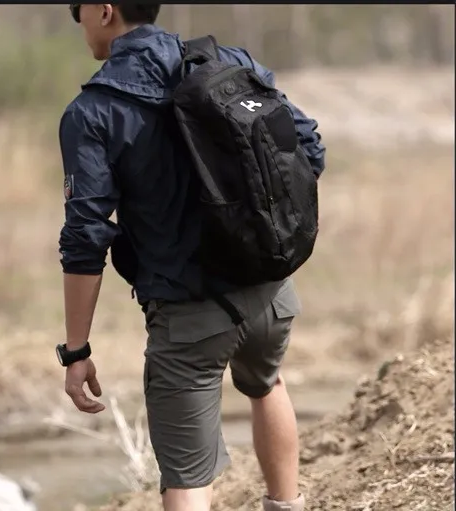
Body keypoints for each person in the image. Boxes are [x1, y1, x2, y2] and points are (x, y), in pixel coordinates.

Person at [55, 4, 325, 511]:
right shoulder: (229, 62)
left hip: (189, 317)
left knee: (186, 473)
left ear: (105, 10)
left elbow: (85, 237)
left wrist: (76, 351)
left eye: (78, 9)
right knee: (267, 384)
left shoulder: (93, 111)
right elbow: (308, 148)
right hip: (269, 291)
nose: (77, 19)